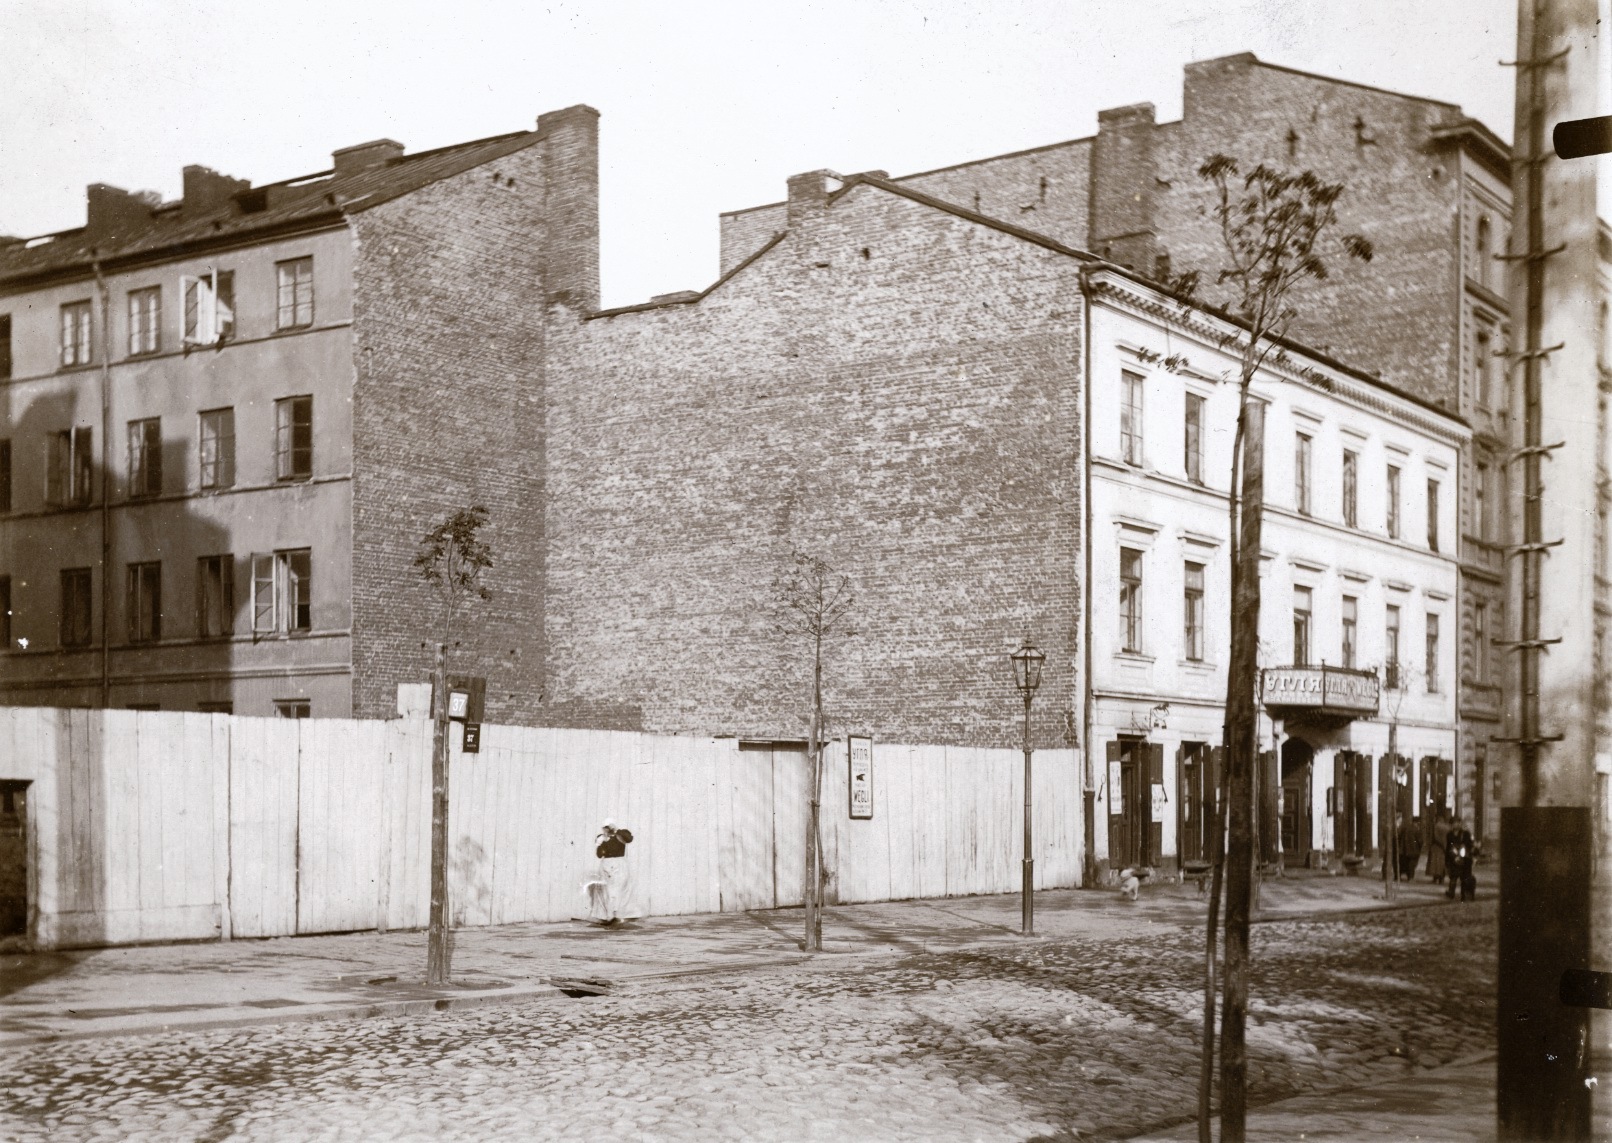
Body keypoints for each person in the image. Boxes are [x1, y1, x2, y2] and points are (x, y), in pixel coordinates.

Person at [585, 819, 636, 925]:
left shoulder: (620, 835)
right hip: (606, 864)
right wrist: (600, 843)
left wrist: (617, 831)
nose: (607, 830)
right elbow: (599, 855)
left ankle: (618, 914)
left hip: (619, 865)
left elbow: (629, 838)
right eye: (605, 828)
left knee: (619, 889)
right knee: (607, 890)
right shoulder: (602, 838)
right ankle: (609, 915)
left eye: (609, 827)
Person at [1444, 817, 1476, 901]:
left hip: (1465, 859)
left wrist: (1465, 850)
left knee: (1464, 878)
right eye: (1453, 823)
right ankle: (1451, 892)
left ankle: (1464, 895)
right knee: (1453, 877)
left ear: (1459, 824)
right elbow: (1448, 847)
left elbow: (1470, 845)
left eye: (1457, 823)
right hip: (1454, 859)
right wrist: (1447, 860)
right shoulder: (1449, 834)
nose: (1455, 825)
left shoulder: (1465, 834)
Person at [1395, 813, 1422, 882]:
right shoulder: (1416, 829)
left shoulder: (1406, 828)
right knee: (1412, 864)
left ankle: (1400, 876)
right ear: (1417, 822)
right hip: (1414, 850)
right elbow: (1420, 840)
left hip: (1405, 850)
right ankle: (1410, 877)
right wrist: (1420, 847)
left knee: (1405, 863)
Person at [1427, 810, 1451, 884]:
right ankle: (1441, 878)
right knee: (1443, 863)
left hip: (1437, 847)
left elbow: (1435, 837)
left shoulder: (1436, 826)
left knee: (1435, 864)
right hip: (1445, 847)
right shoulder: (1447, 826)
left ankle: (1435, 878)